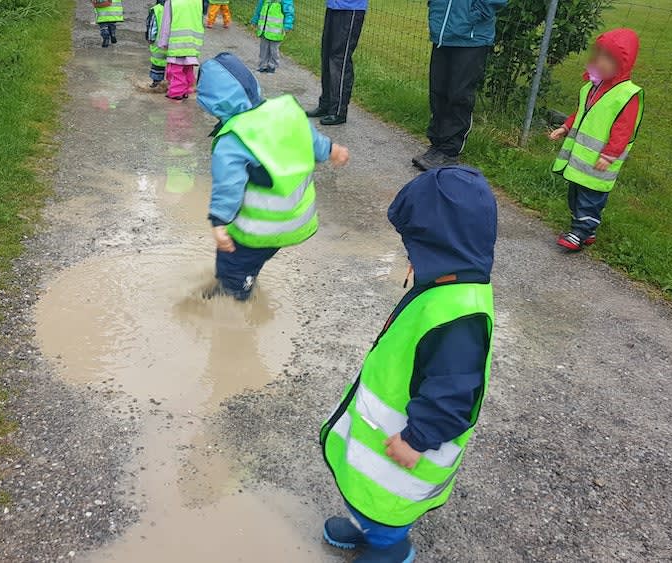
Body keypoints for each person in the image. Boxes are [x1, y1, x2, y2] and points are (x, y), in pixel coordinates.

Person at [320, 166, 497, 563]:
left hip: (406, 444)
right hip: (387, 439)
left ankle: (390, 549)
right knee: (370, 496)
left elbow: (454, 392)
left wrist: (418, 439)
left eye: (416, 244)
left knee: (387, 507)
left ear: (438, 242)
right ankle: (367, 524)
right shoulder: (451, 279)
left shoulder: (458, 318)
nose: (409, 252)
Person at [196, 52, 350, 300]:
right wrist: (332, 150)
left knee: (232, 265)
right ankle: (247, 279)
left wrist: (219, 221)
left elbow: (229, 186)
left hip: (257, 229)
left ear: (211, 102)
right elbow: (310, 138)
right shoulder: (285, 111)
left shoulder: (233, 138)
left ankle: (232, 303)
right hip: (294, 222)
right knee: (255, 258)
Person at [549, 28, 643, 251]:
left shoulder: (626, 95)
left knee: (590, 199)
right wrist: (565, 126)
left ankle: (579, 232)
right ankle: (585, 230)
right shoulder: (593, 86)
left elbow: (624, 130)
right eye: (599, 55)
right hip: (580, 161)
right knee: (576, 196)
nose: (601, 62)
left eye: (609, 58)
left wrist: (610, 155)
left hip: (601, 161)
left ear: (623, 63)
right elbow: (582, 112)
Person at [412, 0, 507, 170]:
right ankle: (437, 145)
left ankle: (449, 151)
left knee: (459, 95)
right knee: (438, 92)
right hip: (443, 33)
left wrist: (475, 14)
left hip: (471, 37)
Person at [304, 0, 367, 126]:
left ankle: (338, 111)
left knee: (339, 59)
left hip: (350, 9)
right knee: (327, 55)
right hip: (333, 6)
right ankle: (326, 105)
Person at [157, 0, 206, 100]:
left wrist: (163, 42)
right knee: (188, 68)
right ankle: (186, 90)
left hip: (177, 42)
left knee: (175, 70)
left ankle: (176, 92)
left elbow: (166, 24)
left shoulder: (171, 2)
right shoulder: (197, 2)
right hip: (193, 42)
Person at [251, 0, 294, 73]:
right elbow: (258, 10)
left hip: (276, 32)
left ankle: (272, 66)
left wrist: (287, 25)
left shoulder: (285, 1)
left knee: (274, 50)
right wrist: (254, 20)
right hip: (264, 30)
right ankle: (262, 65)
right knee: (263, 49)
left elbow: (289, 13)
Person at [146, 0, 168, 91]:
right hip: (174, 44)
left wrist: (150, 39)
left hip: (159, 44)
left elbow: (152, 26)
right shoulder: (177, 7)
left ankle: (156, 83)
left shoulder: (156, 9)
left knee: (157, 63)